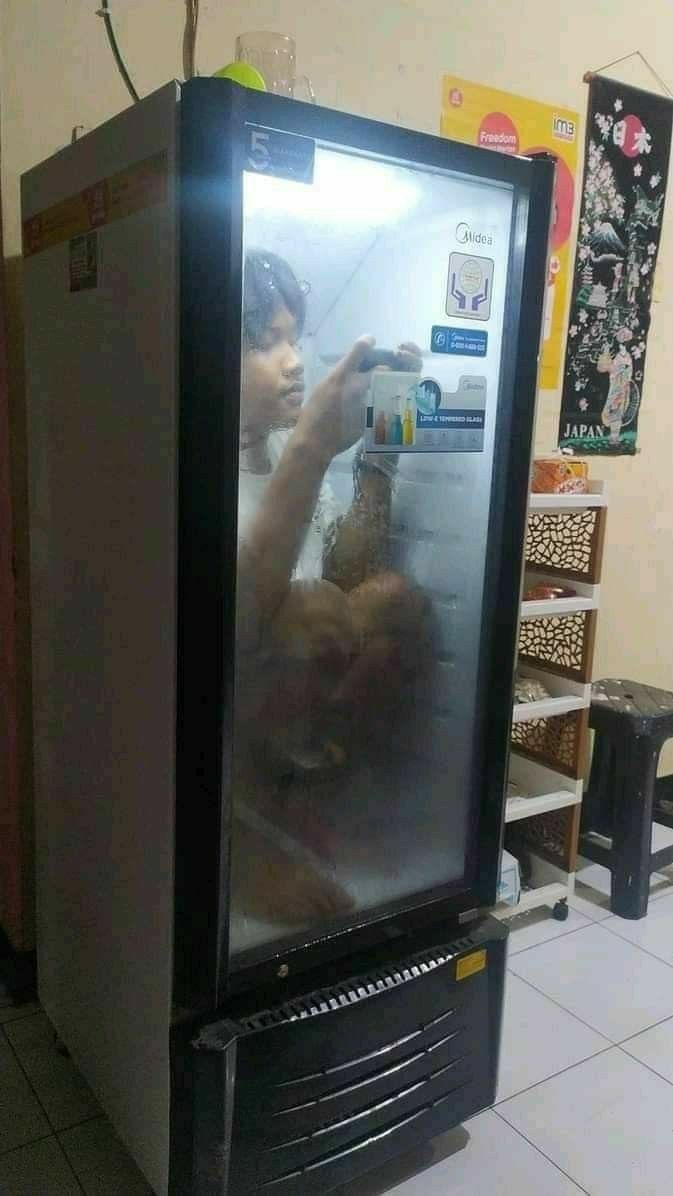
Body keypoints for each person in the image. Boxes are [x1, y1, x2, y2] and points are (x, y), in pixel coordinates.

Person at [231, 250, 431, 935]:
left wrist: (382, 447)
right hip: (218, 702)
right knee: (310, 606)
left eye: (293, 338)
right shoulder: (189, 451)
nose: (291, 360)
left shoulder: (277, 442)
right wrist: (315, 444)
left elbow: (346, 567)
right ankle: (238, 849)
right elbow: (235, 620)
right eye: (264, 343)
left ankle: (321, 805)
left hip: (289, 696)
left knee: (395, 599)